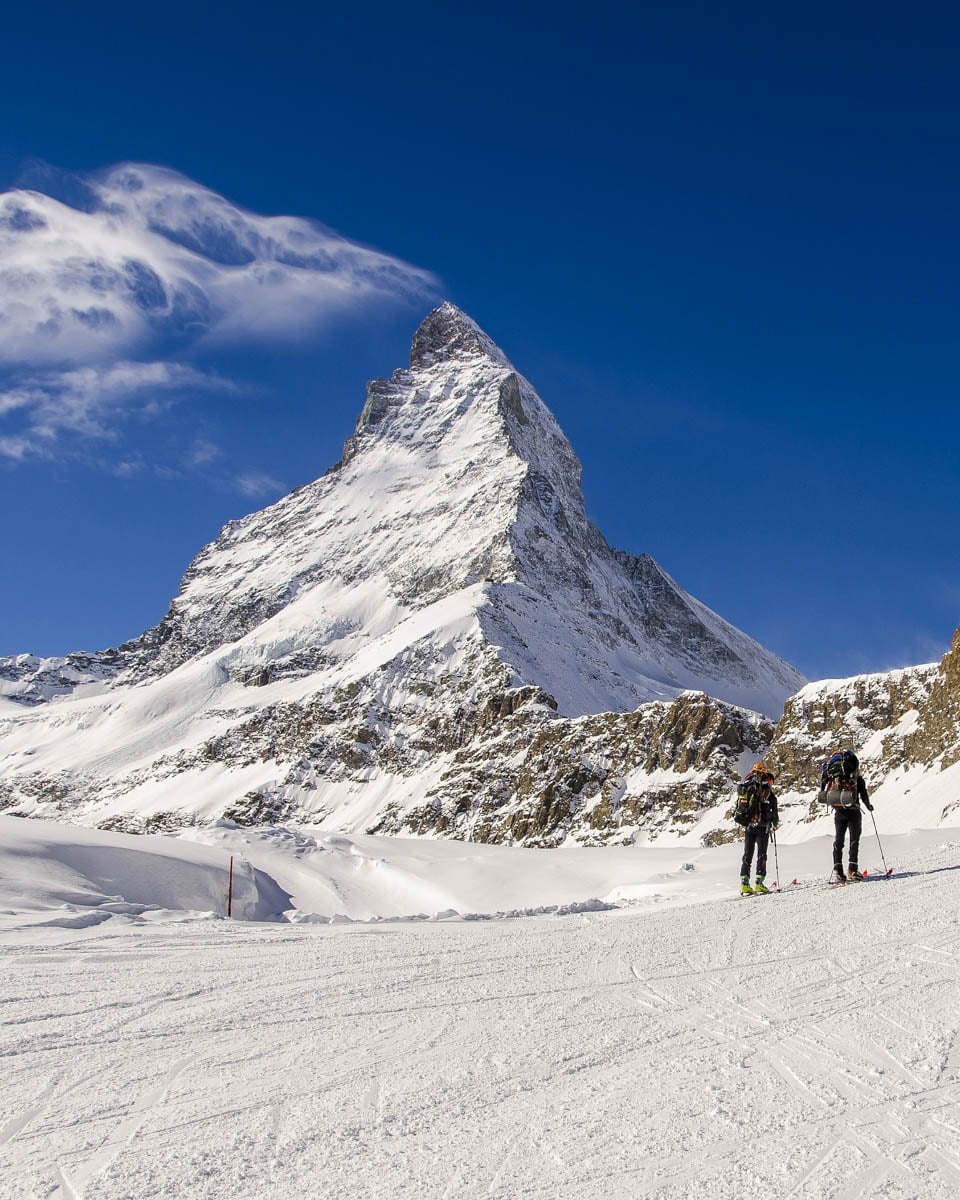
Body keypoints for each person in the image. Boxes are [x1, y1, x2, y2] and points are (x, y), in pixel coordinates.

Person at [818, 748, 873, 882]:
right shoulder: (857, 779)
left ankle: (838, 869)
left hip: (839, 811)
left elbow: (823, 787)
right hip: (853, 811)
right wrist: (869, 806)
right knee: (854, 840)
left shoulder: (833, 777)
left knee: (839, 840)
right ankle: (852, 870)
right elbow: (864, 794)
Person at [736, 763, 779, 895]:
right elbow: (774, 809)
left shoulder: (746, 786)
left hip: (749, 825)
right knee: (761, 855)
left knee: (747, 854)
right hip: (762, 827)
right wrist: (774, 822)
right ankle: (759, 883)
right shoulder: (766, 790)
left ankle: (744, 884)